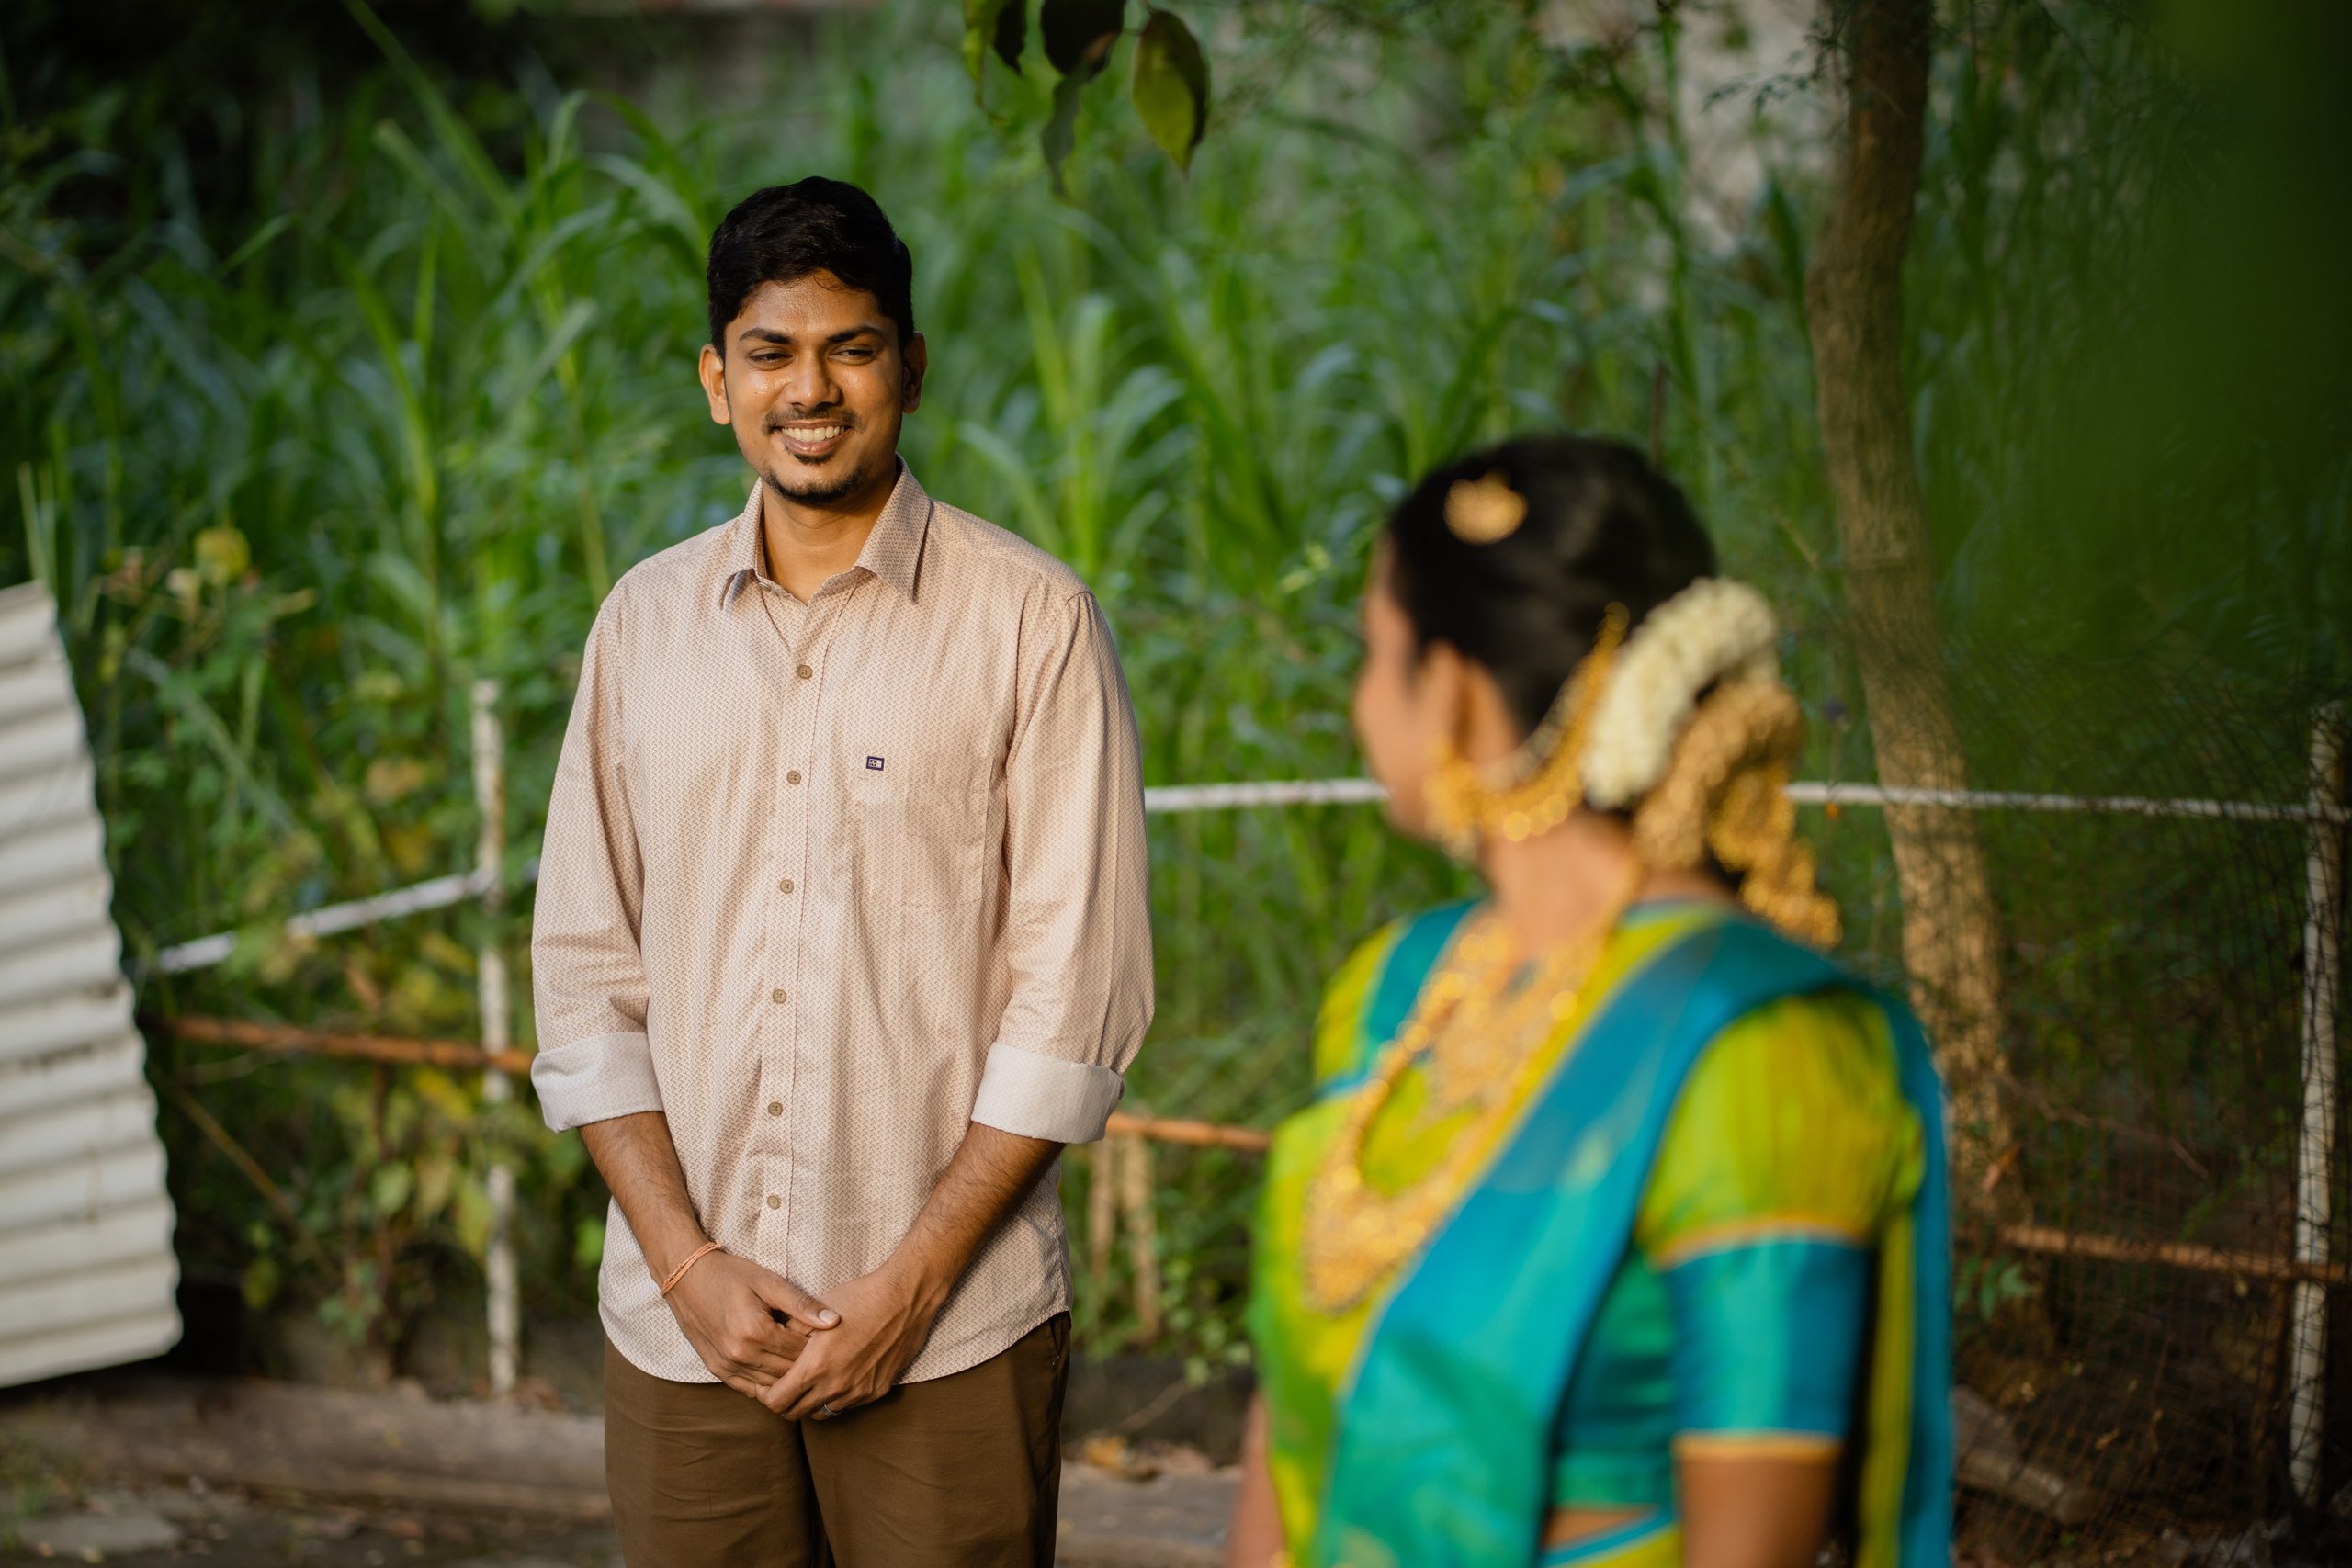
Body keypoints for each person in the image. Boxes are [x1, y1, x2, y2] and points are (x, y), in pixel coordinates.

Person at [529, 177, 1153, 1568]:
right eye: (769, 351)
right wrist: (686, 1265)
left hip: (950, 1334)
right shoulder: (641, 626)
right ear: (716, 380)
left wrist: (910, 1286)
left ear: (910, 368)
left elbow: (1074, 1004)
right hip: (689, 1332)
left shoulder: (1032, 624)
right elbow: (582, 980)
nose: (809, 389)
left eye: (850, 348)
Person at [1226, 436, 1951, 1568]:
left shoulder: (1757, 1044)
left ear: (1455, 691)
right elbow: (1295, 1421)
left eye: (1375, 653)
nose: (1362, 703)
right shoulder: (1391, 991)